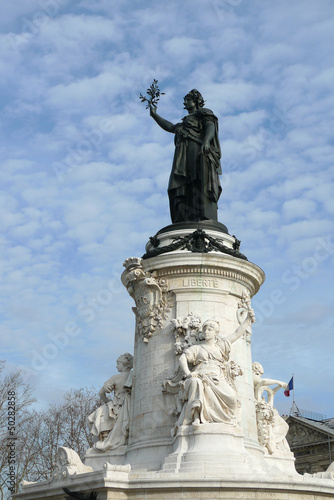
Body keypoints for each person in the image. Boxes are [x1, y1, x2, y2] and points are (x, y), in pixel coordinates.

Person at [164, 310, 254, 433]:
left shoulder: (221, 346)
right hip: (201, 375)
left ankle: (226, 423)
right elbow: (182, 358)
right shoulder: (196, 348)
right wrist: (189, 373)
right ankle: (196, 417)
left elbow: (237, 334)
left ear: (216, 333)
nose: (206, 332)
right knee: (196, 383)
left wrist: (248, 319)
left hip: (218, 377)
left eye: (210, 330)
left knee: (232, 398)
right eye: (205, 329)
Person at [150, 89, 222, 223]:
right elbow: (171, 127)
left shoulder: (203, 112)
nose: (185, 102)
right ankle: (186, 216)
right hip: (183, 156)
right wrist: (154, 115)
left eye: (188, 99)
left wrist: (206, 142)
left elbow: (210, 127)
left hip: (198, 150)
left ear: (196, 101)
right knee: (184, 183)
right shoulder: (183, 123)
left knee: (199, 179)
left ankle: (203, 214)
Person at [87, 353, 133, 452]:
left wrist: (108, 403)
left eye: (118, 363)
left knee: (93, 418)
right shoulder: (135, 375)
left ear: (124, 364)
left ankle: (105, 439)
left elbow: (101, 393)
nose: (116, 366)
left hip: (116, 406)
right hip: (131, 405)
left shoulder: (116, 377)